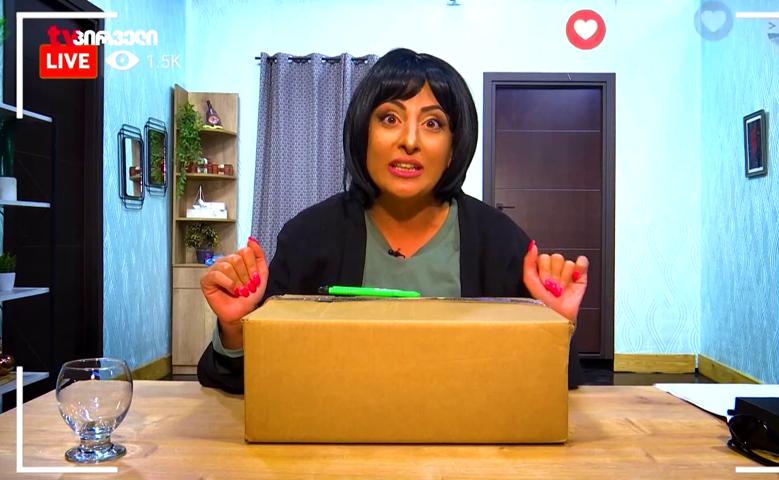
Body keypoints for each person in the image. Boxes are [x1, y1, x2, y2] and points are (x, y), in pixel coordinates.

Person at [197, 48, 589, 394]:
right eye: (389, 118)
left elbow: (552, 385)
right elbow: (250, 381)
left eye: (433, 123)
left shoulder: (500, 243)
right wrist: (235, 329)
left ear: (453, 148)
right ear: (363, 134)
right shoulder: (309, 236)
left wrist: (557, 326)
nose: (410, 141)